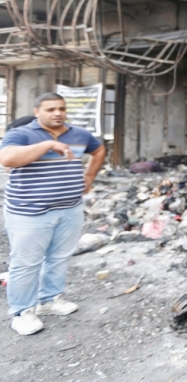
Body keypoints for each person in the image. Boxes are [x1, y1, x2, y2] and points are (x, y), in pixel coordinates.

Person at [0, 93, 105, 336]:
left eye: (61, 108)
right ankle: (22, 312)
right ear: (37, 111)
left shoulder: (79, 133)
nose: (57, 113)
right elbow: (7, 158)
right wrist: (48, 145)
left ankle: (49, 301)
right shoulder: (22, 134)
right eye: (50, 109)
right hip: (29, 213)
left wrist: (89, 177)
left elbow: (99, 151)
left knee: (59, 257)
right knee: (26, 263)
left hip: (69, 208)